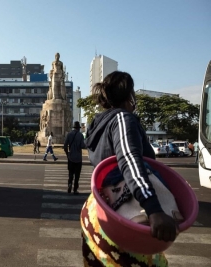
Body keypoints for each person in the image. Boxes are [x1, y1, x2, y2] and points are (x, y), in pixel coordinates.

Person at [83, 71, 177, 266]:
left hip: (98, 211)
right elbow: (129, 160)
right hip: (126, 214)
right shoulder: (122, 120)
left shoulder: (97, 125)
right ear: (129, 96)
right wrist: (153, 210)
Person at [63, 121, 86, 194]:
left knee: (70, 173)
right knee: (77, 175)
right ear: (78, 128)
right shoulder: (80, 135)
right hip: (78, 158)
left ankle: (69, 184)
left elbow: (65, 146)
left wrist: (67, 154)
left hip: (71, 157)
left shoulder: (69, 134)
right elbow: (83, 146)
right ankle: (75, 189)